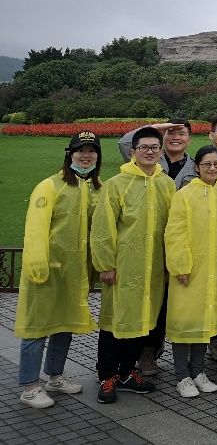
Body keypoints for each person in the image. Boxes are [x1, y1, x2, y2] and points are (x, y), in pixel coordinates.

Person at [15, 131, 102, 409]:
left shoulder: (98, 188)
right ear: (70, 154)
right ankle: (30, 386)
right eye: (80, 150)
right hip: (47, 271)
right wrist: (37, 267)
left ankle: (55, 376)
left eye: (91, 150)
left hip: (75, 273)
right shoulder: (50, 186)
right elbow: (36, 229)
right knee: (37, 327)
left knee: (65, 324)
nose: (86, 155)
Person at [91, 126, 175, 403]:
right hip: (124, 266)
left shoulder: (166, 184)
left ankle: (127, 372)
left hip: (155, 268)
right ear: (133, 151)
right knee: (115, 322)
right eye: (143, 148)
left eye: (154, 148)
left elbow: (173, 227)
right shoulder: (117, 184)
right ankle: (106, 375)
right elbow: (103, 227)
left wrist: (171, 262)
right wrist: (106, 264)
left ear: (161, 152)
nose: (149, 152)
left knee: (142, 322)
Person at [164, 146, 217, 398]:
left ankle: (198, 371)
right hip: (191, 270)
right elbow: (175, 233)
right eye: (207, 164)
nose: (213, 168)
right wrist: (180, 265)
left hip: (216, 269)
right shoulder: (184, 194)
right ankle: (182, 375)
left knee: (205, 321)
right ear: (196, 167)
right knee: (185, 322)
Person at [117, 118, 196, 189]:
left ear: (189, 140)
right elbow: (125, 143)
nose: (176, 138)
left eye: (181, 134)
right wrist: (153, 128)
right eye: (171, 133)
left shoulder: (196, 167)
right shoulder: (147, 158)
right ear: (163, 137)